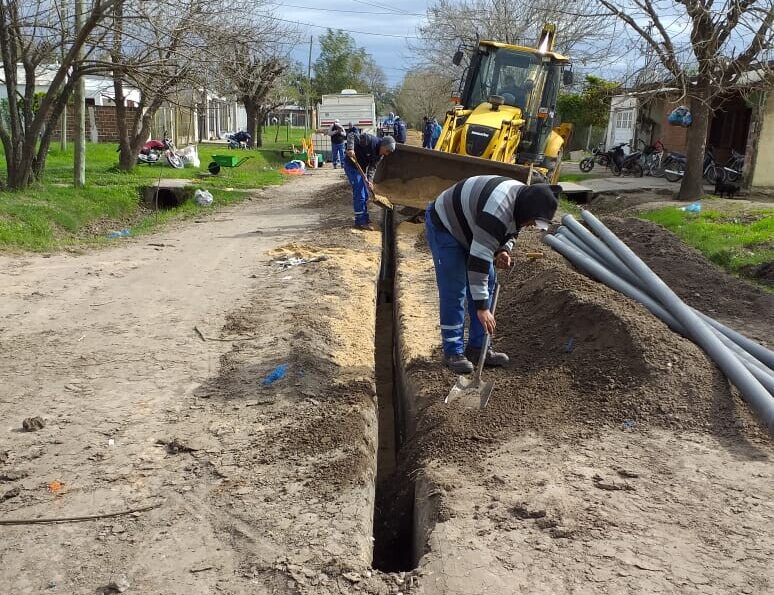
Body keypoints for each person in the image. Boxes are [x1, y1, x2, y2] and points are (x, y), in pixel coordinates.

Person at [425, 176, 559, 373]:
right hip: (446, 226)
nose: (531, 225)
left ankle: (479, 348)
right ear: (528, 210)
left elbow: (513, 230)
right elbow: (478, 259)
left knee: (487, 283)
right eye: (532, 221)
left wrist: (503, 249)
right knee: (455, 288)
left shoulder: (522, 201)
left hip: (472, 227)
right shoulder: (498, 208)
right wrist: (482, 308)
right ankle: (453, 351)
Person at [344, 131, 396, 230]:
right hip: (351, 165)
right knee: (360, 192)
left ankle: (365, 218)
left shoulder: (380, 156)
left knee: (366, 193)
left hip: (361, 168)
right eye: (387, 151)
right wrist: (350, 148)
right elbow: (351, 135)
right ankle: (360, 222)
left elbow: (372, 168)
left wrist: (370, 181)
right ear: (383, 145)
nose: (387, 154)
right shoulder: (369, 140)